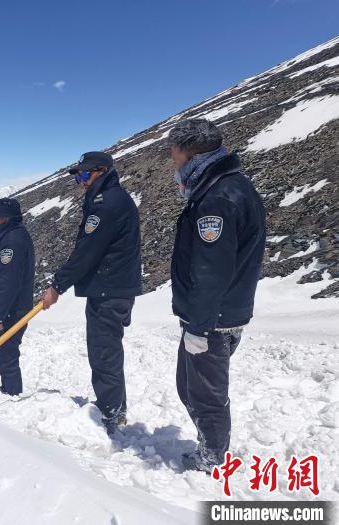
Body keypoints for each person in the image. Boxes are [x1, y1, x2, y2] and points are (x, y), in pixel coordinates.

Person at [168, 118, 265, 472]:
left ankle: (212, 460)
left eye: (175, 153)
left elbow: (212, 270)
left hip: (212, 319)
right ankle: (210, 448)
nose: (172, 161)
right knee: (190, 387)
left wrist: (199, 326)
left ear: (191, 153)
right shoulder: (226, 186)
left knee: (205, 395)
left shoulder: (217, 199)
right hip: (220, 312)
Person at [41, 151, 142, 435]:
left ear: (102, 171)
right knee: (105, 351)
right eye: (78, 177)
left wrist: (57, 286)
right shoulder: (110, 198)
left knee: (104, 353)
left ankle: (111, 414)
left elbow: (87, 251)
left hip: (109, 289)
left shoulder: (106, 204)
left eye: (85, 175)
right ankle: (114, 407)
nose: (81, 181)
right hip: (111, 287)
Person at [0, 198, 35, 396]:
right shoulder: (9, 236)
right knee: (4, 354)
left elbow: (8, 283)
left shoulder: (12, 241)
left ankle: (12, 394)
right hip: (9, 310)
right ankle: (10, 390)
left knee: (6, 355)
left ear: (4, 218)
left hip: (11, 312)